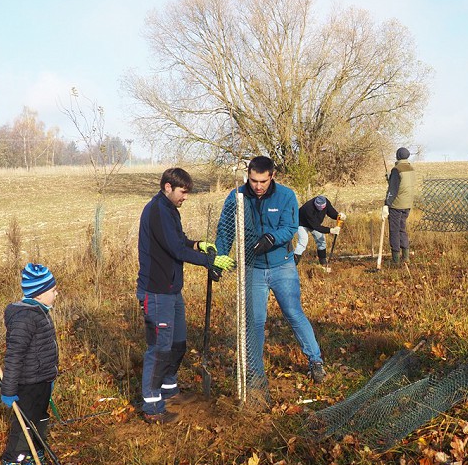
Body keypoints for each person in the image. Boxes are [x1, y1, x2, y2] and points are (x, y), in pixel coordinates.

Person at [215, 156, 326, 394]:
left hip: (282, 266)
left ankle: (315, 360)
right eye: (253, 180)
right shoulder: (237, 197)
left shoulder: (286, 196)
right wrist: (218, 258)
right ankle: (255, 372)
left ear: (272, 176)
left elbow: (289, 226)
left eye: (262, 181)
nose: (257, 186)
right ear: (248, 176)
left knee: (293, 313)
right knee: (254, 321)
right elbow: (225, 228)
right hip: (252, 269)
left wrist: (271, 238)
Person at [136, 168, 234, 424]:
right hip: (157, 292)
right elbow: (175, 250)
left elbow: (179, 241)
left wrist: (198, 244)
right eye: (183, 192)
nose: (185, 197)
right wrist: (209, 260)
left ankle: (169, 390)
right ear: (168, 187)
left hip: (171, 290)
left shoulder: (169, 211)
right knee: (159, 348)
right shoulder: (157, 210)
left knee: (178, 343)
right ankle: (152, 406)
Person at [0, 263, 59, 465]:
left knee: (39, 422)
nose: (56, 293)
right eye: (53, 290)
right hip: (28, 385)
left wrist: (50, 377)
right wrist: (8, 390)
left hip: (42, 381)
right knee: (22, 430)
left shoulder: (40, 311)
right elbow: (14, 357)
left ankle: (34, 463)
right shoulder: (25, 318)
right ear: (40, 292)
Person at [382, 147, 416, 265]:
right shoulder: (411, 168)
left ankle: (395, 260)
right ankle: (405, 257)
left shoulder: (397, 170)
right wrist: (390, 178)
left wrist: (387, 204)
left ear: (397, 156)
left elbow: (393, 189)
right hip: (407, 204)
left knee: (394, 231)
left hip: (397, 205)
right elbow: (403, 185)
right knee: (402, 229)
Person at [295, 195, 346, 271]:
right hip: (302, 224)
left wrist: (338, 216)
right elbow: (316, 226)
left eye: (323, 207)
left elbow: (331, 212)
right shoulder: (308, 208)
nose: (321, 209)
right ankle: (293, 265)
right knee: (302, 243)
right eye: (319, 207)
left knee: (321, 242)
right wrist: (330, 230)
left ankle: (323, 263)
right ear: (315, 204)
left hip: (315, 224)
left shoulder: (326, 202)